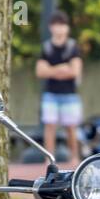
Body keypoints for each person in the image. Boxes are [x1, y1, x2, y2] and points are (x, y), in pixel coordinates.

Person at [36, 9, 83, 164]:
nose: (59, 28)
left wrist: (51, 70)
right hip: (51, 93)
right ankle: (48, 159)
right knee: (49, 127)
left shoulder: (73, 46)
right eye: (56, 25)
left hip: (70, 94)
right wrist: (61, 68)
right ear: (51, 27)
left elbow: (75, 71)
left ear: (67, 28)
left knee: (71, 128)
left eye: (62, 25)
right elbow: (40, 71)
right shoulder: (47, 47)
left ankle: (74, 158)